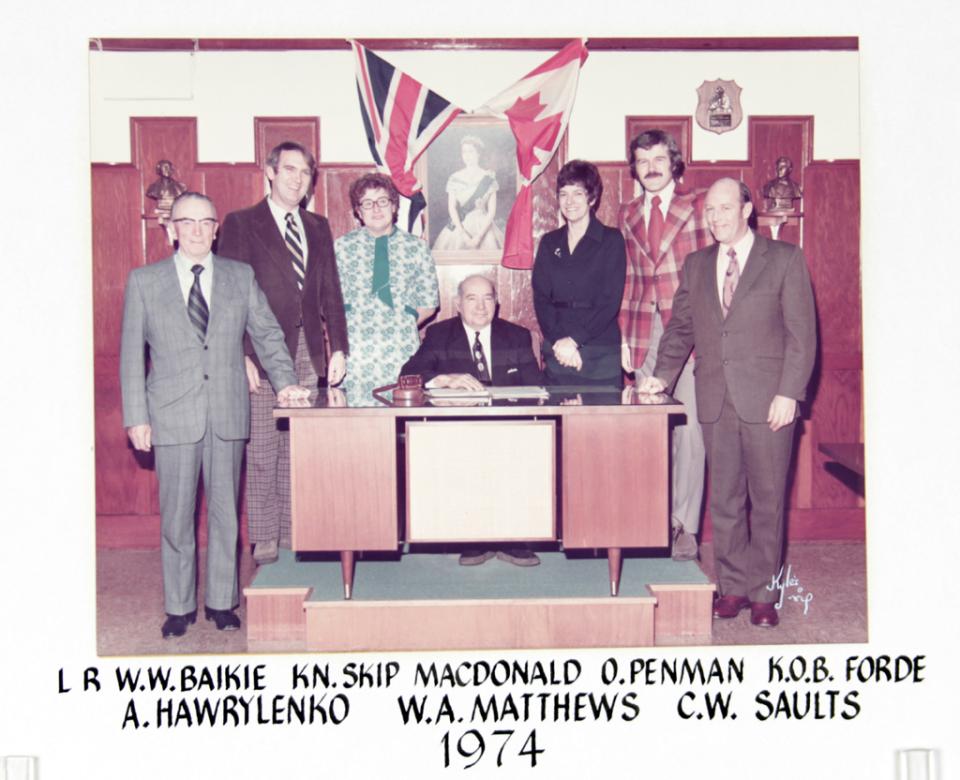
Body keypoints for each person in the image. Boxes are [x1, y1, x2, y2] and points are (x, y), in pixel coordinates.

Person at [119, 192, 309, 638]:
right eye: (188, 223)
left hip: (226, 412)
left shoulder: (239, 277)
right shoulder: (145, 281)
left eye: (207, 222)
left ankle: (222, 602)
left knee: (226, 513)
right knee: (177, 517)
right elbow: (131, 356)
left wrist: (285, 382)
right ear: (171, 230)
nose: (198, 231)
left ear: (216, 229)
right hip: (170, 415)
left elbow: (266, 333)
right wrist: (136, 417)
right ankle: (179, 606)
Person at [637, 178, 817, 629]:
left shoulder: (784, 259)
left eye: (724, 208)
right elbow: (681, 330)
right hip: (715, 399)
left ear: (747, 208)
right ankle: (733, 587)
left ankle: (764, 594)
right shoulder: (696, 265)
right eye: (709, 211)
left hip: (769, 401)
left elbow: (802, 336)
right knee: (726, 502)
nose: (715, 218)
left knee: (768, 500)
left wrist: (789, 394)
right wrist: (661, 377)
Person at [217, 141, 348, 565]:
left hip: (309, 351)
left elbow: (331, 291)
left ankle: (295, 530)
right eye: (289, 169)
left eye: (305, 173)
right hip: (259, 351)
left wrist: (339, 347)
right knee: (262, 448)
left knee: (299, 446)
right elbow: (229, 293)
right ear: (269, 172)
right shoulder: (241, 223)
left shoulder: (318, 226)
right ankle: (265, 536)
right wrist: (240, 355)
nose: (297, 179)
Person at [400, 274, 543, 566]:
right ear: (458, 305)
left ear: (497, 303)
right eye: (471, 299)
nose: (480, 307)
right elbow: (409, 374)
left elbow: (536, 387)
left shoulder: (516, 336)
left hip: (508, 424)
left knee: (521, 449)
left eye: (487, 298)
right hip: (459, 426)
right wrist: (444, 378)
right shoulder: (440, 335)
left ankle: (513, 540)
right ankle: (474, 538)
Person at [618, 128, 713, 561]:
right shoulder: (628, 213)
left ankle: (684, 527)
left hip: (692, 332)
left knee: (691, 431)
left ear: (674, 162)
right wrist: (623, 335)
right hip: (643, 333)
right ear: (634, 168)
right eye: (642, 161)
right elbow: (630, 279)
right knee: (652, 431)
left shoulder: (697, 207)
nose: (651, 168)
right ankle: (652, 521)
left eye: (658, 159)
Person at [334, 173, 439, 405]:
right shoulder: (340, 248)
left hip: (401, 351)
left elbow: (429, 304)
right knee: (357, 430)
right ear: (358, 212)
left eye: (382, 201)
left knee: (401, 427)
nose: (376, 209)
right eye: (367, 203)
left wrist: (401, 320)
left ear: (394, 206)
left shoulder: (417, 249)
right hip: (356, 355)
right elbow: (328, 304)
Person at [532, 159, 626, 387]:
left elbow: (610, 302)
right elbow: (541, 298)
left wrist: (574, 341)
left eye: (578, 194)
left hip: (599, 352)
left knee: (601, 423)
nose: (569, 201)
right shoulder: (549, 242)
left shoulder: (611, 240)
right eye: (563, 194)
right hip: (558, 351)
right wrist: (560, 343)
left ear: (592, 198)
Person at [432, 136, 504, 251]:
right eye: (464, 152)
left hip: (483, 226)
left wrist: (479, 237)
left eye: (471, 151)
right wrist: (463, 234)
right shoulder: (454, 178)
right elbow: (452, 208)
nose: (467, 155)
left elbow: (491, 212)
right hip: (459, 226)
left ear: (478, 153)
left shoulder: (488, 178)